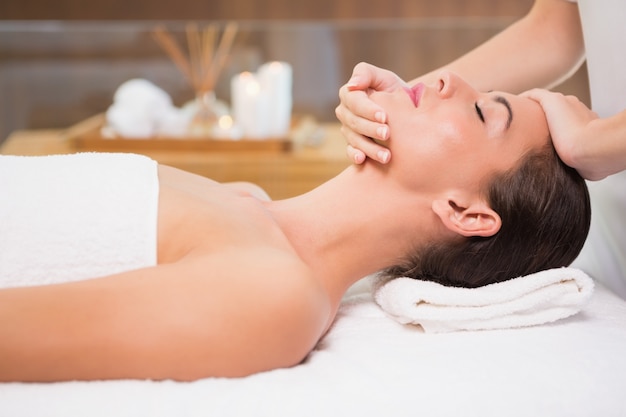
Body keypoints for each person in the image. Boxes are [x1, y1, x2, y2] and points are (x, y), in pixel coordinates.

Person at [0, 70, 590, 382]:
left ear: (466, 213)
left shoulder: (274, 295)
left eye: (486, 109)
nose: (449, 80)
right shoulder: (247, 202)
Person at [335, 0, 626, 299]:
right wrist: (400, 99)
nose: (446, 78)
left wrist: (595, 142)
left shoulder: (299, 293)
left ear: (465, 213)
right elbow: (554, 32)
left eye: (479, 111)